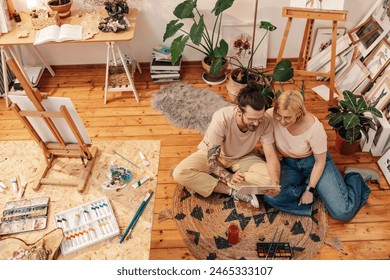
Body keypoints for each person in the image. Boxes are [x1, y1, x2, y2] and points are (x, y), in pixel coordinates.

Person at [263, 90, 379, 221]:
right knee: (270, 196)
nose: (282, 121)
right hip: (289, 163)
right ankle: (318, 189)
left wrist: (310, 190)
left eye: (288, 117)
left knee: (342, 212)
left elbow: (320, 162)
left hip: (314, 162)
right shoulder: (270, 115)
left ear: (299, 113)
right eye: (279, 115)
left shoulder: (315, 128)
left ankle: (355, 178)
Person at [173, 83, 281, 208]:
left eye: (260, 118)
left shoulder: (265, 122)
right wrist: (228, 176)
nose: (257, 123)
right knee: (180, 173)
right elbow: (212, 159)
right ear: (239, 111)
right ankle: (232, 191)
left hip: (242, 156)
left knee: (269, 179)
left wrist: (275, 183)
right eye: (252, 119)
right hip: (215, 155)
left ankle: (211, 181)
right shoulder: (222, 118)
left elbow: (271, 155)